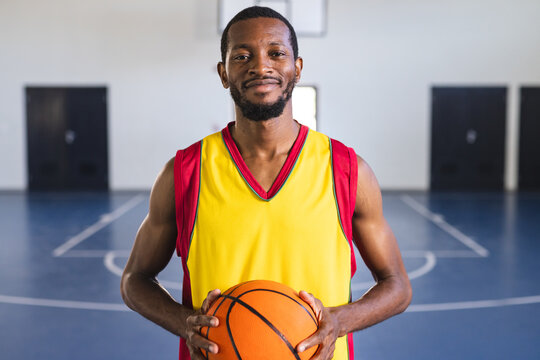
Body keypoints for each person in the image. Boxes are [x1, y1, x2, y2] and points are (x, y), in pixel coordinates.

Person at [121, 6, 412, 360]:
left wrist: (339, 320)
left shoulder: (348, 170)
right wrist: (185, 323)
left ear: (297, 67)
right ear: (223, 73)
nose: (261, 66)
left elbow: (397, 286)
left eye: (276, 53)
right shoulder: (184, 172)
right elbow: (134, 279)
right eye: (242, 56)